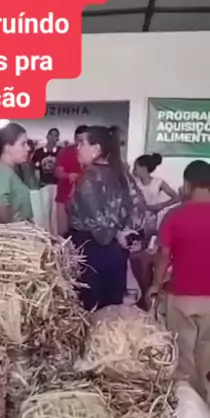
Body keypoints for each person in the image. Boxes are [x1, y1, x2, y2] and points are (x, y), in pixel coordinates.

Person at [149, 160, 210, 403]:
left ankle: (190, 408)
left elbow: (164, 256)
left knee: (184, 357)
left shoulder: (174, 215)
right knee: (206, 353)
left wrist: (155, 285)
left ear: (187, 184)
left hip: (182, 297)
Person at [67, 126, 146, 311]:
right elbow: (140, 205)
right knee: (112, 307)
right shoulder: (122, 173)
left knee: (91, 307)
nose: (78, 148)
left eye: (82, 143)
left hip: (92, 249)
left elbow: (97, 218)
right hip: (118, 251)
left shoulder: (89, 176)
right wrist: (127, 231)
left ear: (96, 148)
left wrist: (114, 233)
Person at [0, 123, 33, 223]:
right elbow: (2, 212)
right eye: (23, 144)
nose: (28, 148)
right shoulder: (3, 172)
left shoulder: (1, 169)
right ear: (7, 147)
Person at [133, 153, 179, 237]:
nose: (133, 170)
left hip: (151, 220)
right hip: (135, 221)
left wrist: (161, 205)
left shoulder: (158, 182)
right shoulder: (134, 183)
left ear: (144, 168)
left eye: (135, 167)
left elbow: (176, 197)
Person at [55, 125, 88, 235]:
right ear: (75, 138)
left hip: (84, 200)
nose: (81, 144)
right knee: (62, 232)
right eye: (79, 140)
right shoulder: (66, 151)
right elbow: (58, 172)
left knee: (81, 232)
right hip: (64, 196)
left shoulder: (91, 154)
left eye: (84, 141)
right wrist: (69, 176)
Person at [32, 127, 61, 232]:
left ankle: (55, 233)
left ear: (58, 139)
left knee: (55, 213)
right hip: (43, 185)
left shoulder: (61, 151)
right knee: (44, 211)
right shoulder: (39, 152)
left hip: (57, 186)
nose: (53, 138)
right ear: (47, 136)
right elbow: (33, 169)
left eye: (55, 136)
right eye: (51, 135)